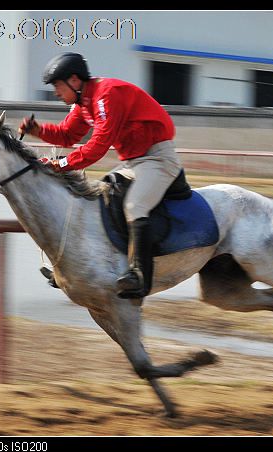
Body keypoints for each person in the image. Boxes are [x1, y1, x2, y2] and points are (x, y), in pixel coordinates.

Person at [19, 52, 183, 300]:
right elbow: (68, 135)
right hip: (133, 161)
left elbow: (98, 146)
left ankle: (140, 276)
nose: (55, 92)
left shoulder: (106, 95)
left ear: (74, 81)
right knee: (98, 201)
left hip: (157, 159)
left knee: (134, 205)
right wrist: (38, 130)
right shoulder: (84, 102)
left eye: (57, 86)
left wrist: (59, 164)